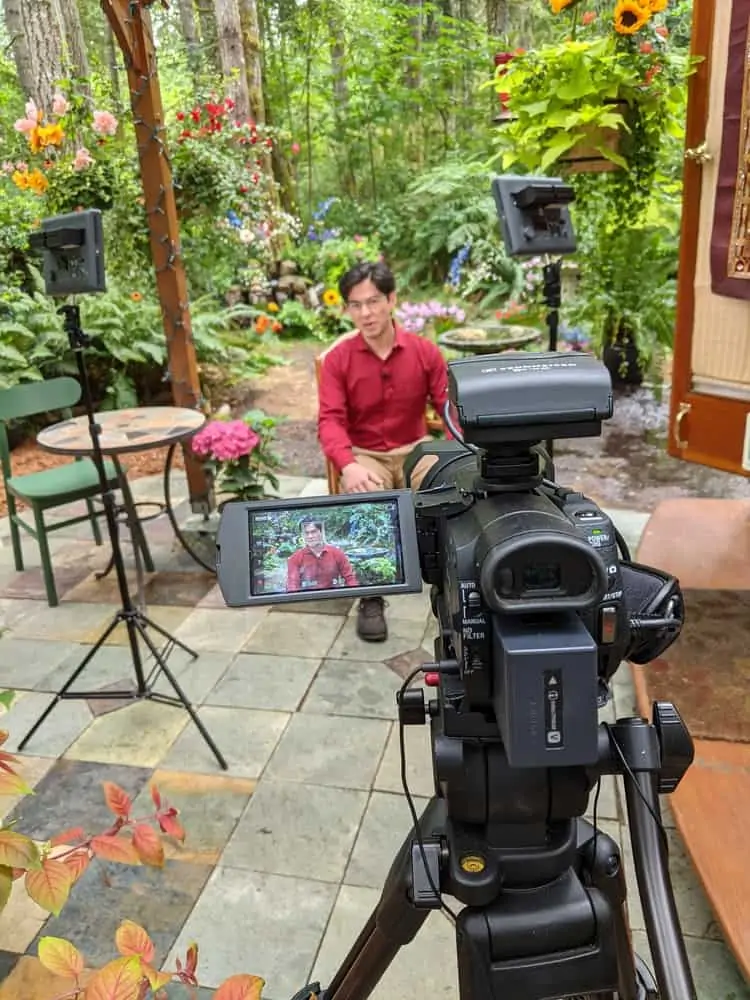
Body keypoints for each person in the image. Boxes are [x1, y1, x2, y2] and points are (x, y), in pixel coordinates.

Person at [317, 260, 450, 642]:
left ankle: (449, 587)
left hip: (415, 450)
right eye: (355, 305)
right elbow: (329, 420)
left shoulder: (425, 352)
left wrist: (462, 448)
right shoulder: (339, 360)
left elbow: (448, 407)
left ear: (391, 300)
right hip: (366, 453)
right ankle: (371, 596)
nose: (366, 313)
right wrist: (346, 464)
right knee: (366, 497)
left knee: (450, 487)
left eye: (373, 301)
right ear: (347, 309)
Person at [286, 518, 359, 592]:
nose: (310, 536)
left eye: (313, 532)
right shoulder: (295, 558)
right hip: (307, 600)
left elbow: (350, 579)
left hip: (334, 598)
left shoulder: (337, 553)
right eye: (306, 533)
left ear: (321, 532)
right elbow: (292, 586)